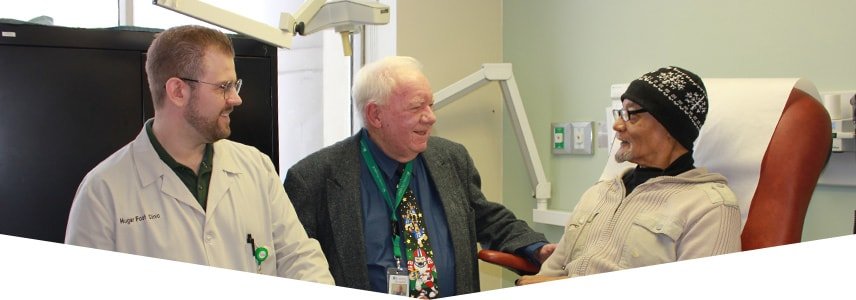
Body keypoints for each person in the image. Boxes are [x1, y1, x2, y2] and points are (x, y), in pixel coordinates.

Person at [64, 25, 334, 285]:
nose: (236, 99)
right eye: (223, 87)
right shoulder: (102, 192)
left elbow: (299, 258)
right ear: (178, 91)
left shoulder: (256, 167)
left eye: (234, 85)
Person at [283, 56, 555, 298]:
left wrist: (536, 247)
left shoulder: (450, 158)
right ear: (375, 115)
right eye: (416, 108)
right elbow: (293, 267)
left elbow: (487, 218)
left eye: (431, 104)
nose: (431, 117)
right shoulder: (314, 178)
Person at [516, 66, 742, 286]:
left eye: (630, 114)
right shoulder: (599, 193)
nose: (617, 125)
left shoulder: (710, 207)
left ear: (670, 126)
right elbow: (550, 273)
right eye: (619, 113)